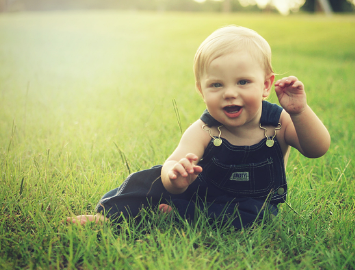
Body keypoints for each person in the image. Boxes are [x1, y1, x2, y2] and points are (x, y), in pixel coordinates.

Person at [66, 25, 330, 228]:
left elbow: (316, 148)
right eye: (216, 84)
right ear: (201, 90)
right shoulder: (204, 130)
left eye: (242, 82)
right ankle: (110, 216)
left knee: (257, 216)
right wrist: (176, 178)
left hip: (250, 205)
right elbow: (174, 161)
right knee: (150, 179)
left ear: (265, 85)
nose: (229, 93)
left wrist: (300, 112)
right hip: (200, 193)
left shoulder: (280, 122)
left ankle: (178, 214)